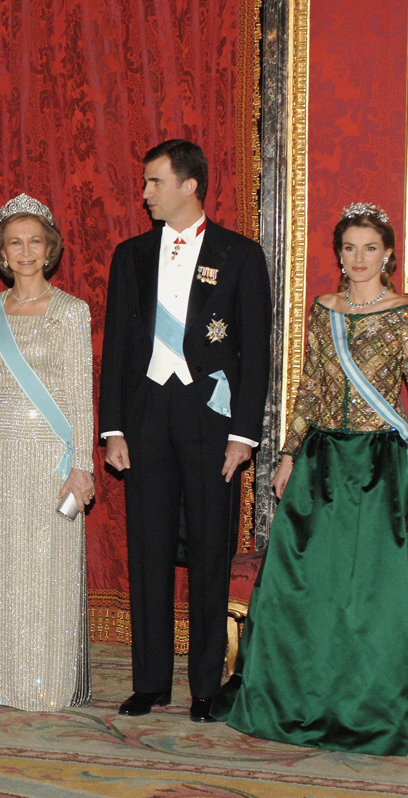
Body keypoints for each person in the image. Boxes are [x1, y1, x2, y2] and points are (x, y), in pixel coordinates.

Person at [215, 203, 408, 755]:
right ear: (339, 255)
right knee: (309, 584)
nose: (359, 259)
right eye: (350, 248)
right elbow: (311, 386)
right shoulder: (323, 310)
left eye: (370, 249)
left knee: (374, 594)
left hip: (382, 466)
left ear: (387, 256)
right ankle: (305, 696)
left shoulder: (404, 313)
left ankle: (374, 700)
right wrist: (288, 453)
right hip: (322, 463)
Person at [98, 139, 271, 722]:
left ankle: (203, 686)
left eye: (154, 182)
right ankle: (149, 681)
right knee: (146, 549)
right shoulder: (131, 255)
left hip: (210, 422)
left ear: (189, 185)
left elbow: (257, 353)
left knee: (207, 552)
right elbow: (117, 348)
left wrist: (243, 436)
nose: (144, 193)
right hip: (145, 419)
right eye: (145, 183)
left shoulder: (240, 255)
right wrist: (113, 428)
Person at [0, 194, 95, 711]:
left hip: (48, 457)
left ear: (50, 249)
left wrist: (83, 466)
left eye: (36, 241)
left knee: (46, 569)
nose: (26, 251)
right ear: (2, 253)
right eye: (16, 242)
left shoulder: (72, 312)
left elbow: (81, 396)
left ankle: (45, 684)